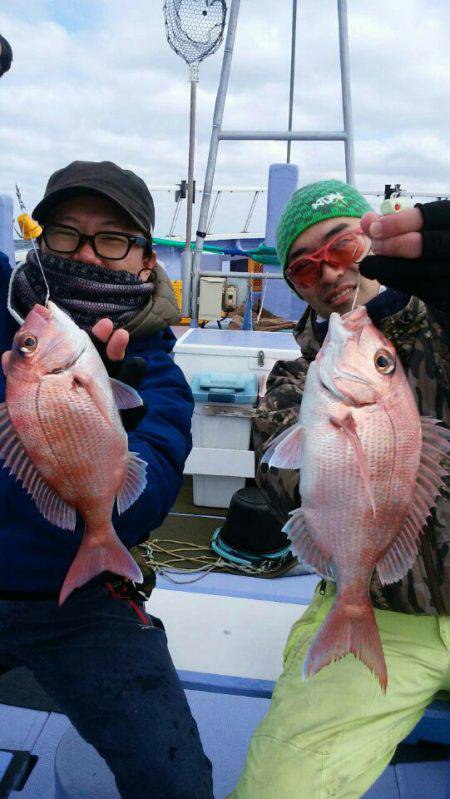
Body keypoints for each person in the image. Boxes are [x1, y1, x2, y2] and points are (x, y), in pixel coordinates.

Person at [0, 160, 214, 799]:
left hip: (80, 604)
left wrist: (110, 429)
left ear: (146, 261)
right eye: (66, 234)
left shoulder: (159, 376)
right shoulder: (17, 327)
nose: (87, 253)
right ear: (40, 243)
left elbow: (142, 508)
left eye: (113, 240)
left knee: (173, 778)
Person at [230, 179, 450, 799]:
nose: (327, 271)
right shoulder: (297, 381)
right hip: (379, 609)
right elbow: (281, 483)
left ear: (377, 236)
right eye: (303, 267)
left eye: (341, 245)